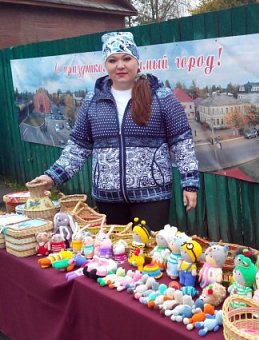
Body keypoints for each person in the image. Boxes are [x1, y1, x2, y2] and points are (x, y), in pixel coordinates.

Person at [29, 32, 199, 231]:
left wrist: (189, 184)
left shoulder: (161, 97)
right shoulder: (93, 100)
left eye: (126, 58)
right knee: (114, 253)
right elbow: (77, 148)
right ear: (106, 65)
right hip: (108, 198)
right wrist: (52, 176)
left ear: (137, 62)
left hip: (152, 197)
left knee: (149, 254)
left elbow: (182, 143)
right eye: (112, 60)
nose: (120, 65)